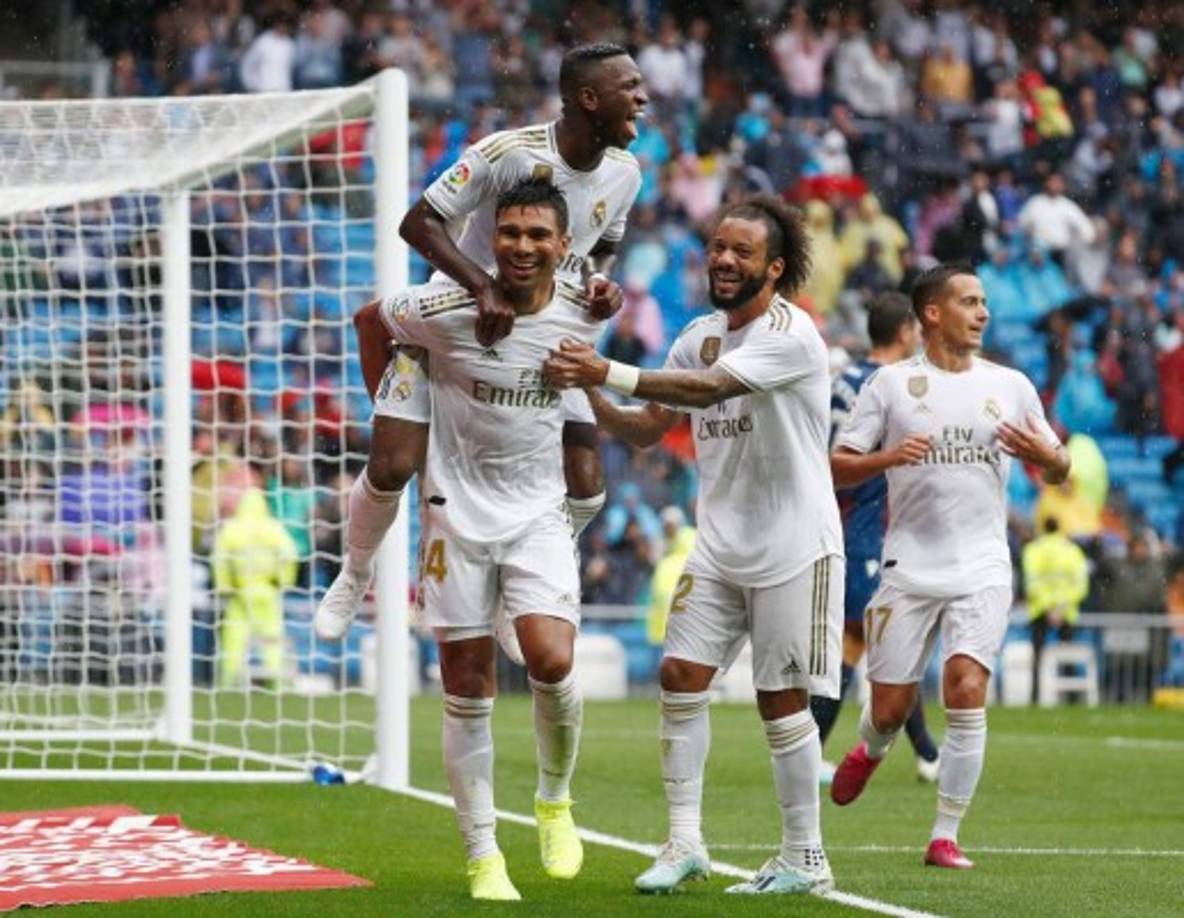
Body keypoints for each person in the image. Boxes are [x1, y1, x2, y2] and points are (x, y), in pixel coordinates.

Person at [544, 195, 843, 896]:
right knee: (680, 677)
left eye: (742, 251)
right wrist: (583, 397)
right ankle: (684, 843)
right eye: (717, 247)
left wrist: (603, 371)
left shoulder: (792, 334)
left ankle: (805, 858)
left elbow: (708, 391)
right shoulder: (697, 335)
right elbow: (651, 427)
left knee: (780, 700)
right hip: (719, 546)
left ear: (775, 267)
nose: (724, 260)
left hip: (795, 547)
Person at [315, 42, 647, 643]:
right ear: (589, 98)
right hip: (458, 321)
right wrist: (482, 287)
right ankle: (356, 571)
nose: (642, 99)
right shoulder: (508, 154)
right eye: (630, 88)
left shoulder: (627, 173)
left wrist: (599, 283)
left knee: (587, 480)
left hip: (544, 329)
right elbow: (418, 222)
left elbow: (601, 245)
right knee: (392, 465)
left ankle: (524, 589)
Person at [372, 179, 601, 901]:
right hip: (455, 513)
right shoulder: (442, 309)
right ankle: (483, 856)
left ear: (564, 245)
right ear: (491, 239)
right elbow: (371, 321)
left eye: (538, 235)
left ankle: (554, 801)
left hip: (537, 513)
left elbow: (587, 384)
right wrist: (396, 415)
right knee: (467, 684)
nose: (522, 247)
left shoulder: (584, 310)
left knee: (552, 660)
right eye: (510, 233)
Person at [829, 262, 1070, 869]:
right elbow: (838, 465)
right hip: (908, 565)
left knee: (966, 687)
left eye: (984, 301)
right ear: (932, 314)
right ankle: (871, 748)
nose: (983, 312)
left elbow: (1060, 465)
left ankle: (945, 834)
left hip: (983, 565)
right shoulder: (890, 385)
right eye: (969, 301)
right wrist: (887, 458)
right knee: (889, 710)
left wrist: (1048, 458)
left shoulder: (1011, 385)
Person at [814, 291, 940, 784]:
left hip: (841, 520)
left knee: (865, 640)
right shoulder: (887, 385)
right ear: (905, 332)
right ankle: (927, 753)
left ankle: (924, 752)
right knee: (876, 640)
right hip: (864, 524)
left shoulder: (840, 380)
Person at [212, 487, 298, 688]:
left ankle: (228, 681)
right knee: (271, 637)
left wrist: (224, 585)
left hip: (240, 593)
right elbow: (290, 555)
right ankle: (277, 680)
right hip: (266, 591)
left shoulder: (231, 528)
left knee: (234, 636)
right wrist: (284, 580)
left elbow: (219, 559)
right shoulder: (273, 527)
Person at [1022, 516, 1089, 704]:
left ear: (1042, 528)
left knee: (1038, 656)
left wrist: (1048, 607)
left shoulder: (1033, 550)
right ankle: (1071, 697)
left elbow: (1032, 583)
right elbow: (1081, 585)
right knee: (1067, 655)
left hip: (1040, 610)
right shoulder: (1072, 550)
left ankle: (1035, 697)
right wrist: (1062, 606)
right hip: (1066, 611)